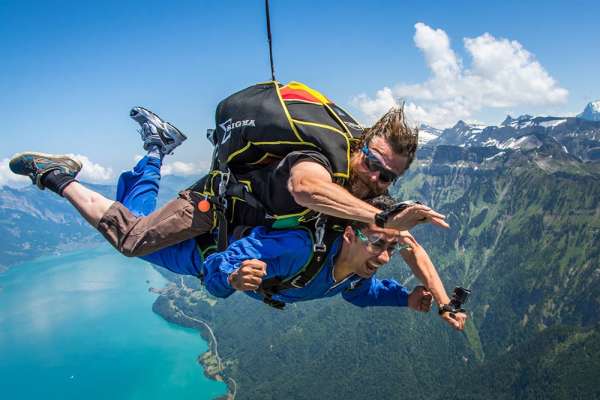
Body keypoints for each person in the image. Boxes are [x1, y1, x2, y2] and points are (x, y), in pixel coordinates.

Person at [9, 104, 461, 325]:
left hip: (231, 224)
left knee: (138, 212)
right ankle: (55, 176)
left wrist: (425, 300)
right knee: (130, 237)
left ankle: (154, 150)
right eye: (374, 163)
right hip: (207, 222)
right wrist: (230, 277)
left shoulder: (355, 258)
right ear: (359, 145)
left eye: (388, 178)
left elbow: (373, 278)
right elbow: (304, 189)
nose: (377, 177)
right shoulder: (317, 181)